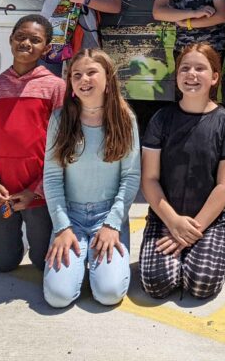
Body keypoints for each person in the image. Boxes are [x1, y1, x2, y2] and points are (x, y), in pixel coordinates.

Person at [139, 44, 225, 299]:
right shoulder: (161, 119)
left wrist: (192, 232)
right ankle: (175, 249)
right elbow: (149, 179)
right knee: (157, 284)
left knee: (201, 284)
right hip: (167, 215)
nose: (191, 74)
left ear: (215, 77)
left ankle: (214, 244)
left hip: (209, 220)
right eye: (185, 68)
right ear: (177, 75)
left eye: (200, 68)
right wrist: (172, 222)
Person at [42, 49, 141, 307]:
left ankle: (94, 263)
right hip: (71, 216)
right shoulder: (60, 119)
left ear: (108, 77)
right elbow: (52, 178)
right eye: (77, 75)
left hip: (106, 216)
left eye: (91, 73)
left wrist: (112, 224)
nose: (84, 79)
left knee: (109, 293)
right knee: (57, 297)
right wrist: (62, 226)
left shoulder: (124, 118)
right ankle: (79, 260)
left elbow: (130, 176)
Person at [0, 14, 65, 272]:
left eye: (35, 40)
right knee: (4, 262)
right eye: (20, 37)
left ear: (46, 49)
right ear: (11, 40)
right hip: (0, 191)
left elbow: (63, 144)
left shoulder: (56, 88)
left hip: (39, 192)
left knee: (41, 262)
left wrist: (38, 189)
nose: (26, 43)